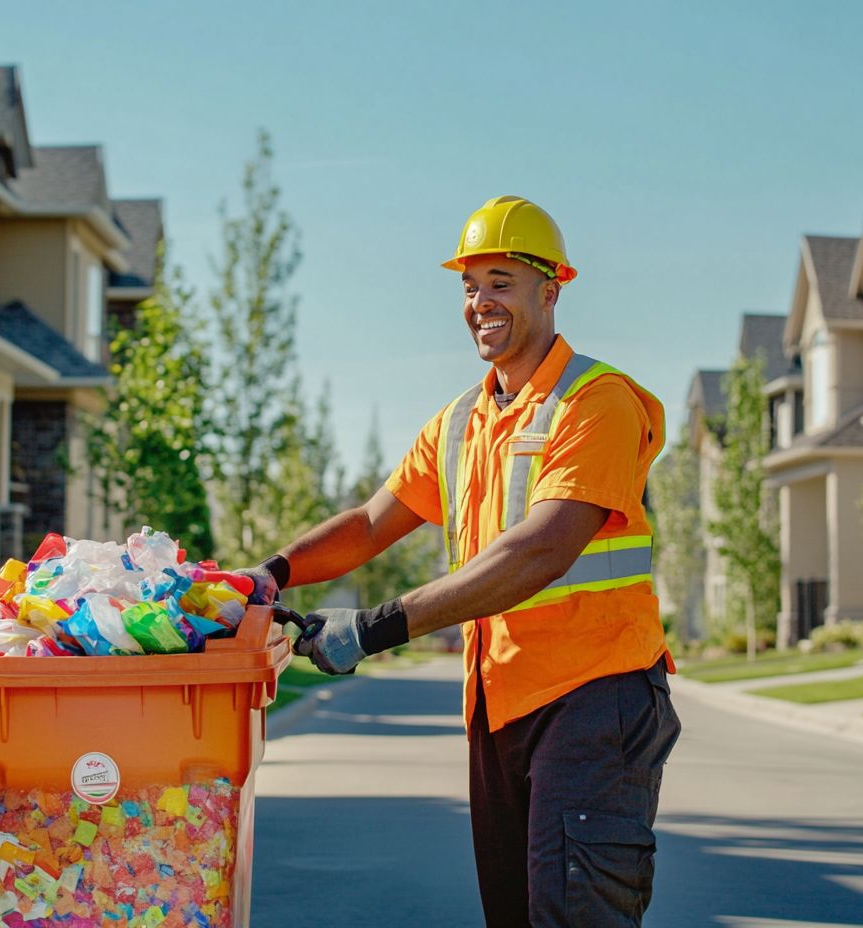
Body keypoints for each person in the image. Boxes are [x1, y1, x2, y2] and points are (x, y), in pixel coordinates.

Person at [237, 195, 681, 927]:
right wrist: (270, 575)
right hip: (499, 707)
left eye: (501, 282)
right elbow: (370, 523)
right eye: (470, 287)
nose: (480, 302)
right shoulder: (459, 424)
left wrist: (372, 629)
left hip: (593, 699)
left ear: (551, 289)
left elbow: (539, 549)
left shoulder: (595, 403)